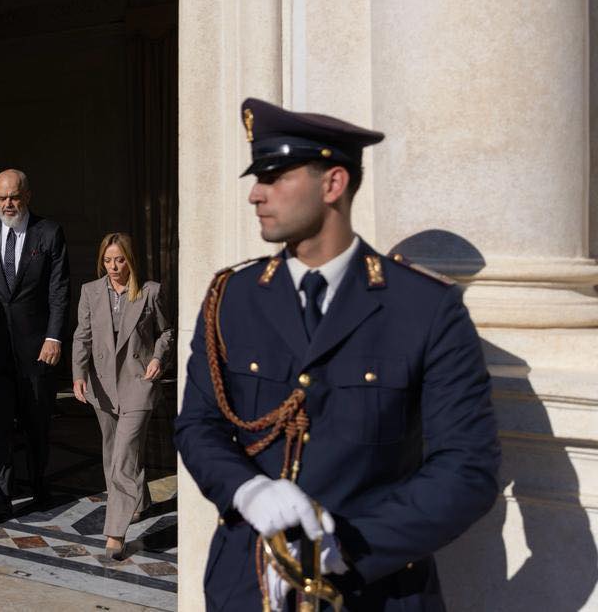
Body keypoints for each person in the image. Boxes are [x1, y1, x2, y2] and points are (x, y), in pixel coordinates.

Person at [175, 98, 500, 610]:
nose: (255, 194)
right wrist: (248, 491)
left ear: (333, 184)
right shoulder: (232, 297)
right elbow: (198, 425)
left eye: (274, 177)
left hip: (375, 590)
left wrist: (348, 547)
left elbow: (466, 469)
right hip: (248, 585)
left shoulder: (424, 308)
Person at [0, 169, 69, 527]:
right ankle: (0, 496)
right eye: (1, 198)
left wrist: (54, 337)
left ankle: (39, 481)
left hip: (36, 347)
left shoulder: (49, 233)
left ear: (27, 196)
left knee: (37, 419)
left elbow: (58, 289)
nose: (8, 204)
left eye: (14, 197)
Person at [71, 232, 171, 560]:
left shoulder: (150, 291)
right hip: (102, 385)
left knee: (124, 456)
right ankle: (138, 501)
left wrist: (158, 358)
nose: (113, 267)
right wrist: (78, 375)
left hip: (138, 382)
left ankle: (115, 532)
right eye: (107, 260)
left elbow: (166, 331)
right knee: (113, 451)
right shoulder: (90, 292)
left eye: (120, 260)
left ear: (131, 260)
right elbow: (82, 337)